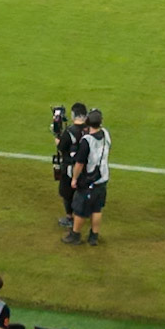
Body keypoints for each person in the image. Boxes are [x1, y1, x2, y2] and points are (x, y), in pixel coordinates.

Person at [64, 106, 109, 241]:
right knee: (97, 209)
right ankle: (94, 236)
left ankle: (75, 235)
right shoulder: (106, 134)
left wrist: (74, 179)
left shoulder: (87, 141)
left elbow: (80, 163)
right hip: (103, 177)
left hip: (89, 180)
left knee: (80, 210)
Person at [54, 103, 88, 232]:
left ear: (73, 115)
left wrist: (57, 139)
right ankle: (84, 214)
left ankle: (69, 217)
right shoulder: (90, 129)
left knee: (67, 193)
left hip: (70, 167)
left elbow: (61, 148)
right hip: (87, 167)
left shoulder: (69, 132)